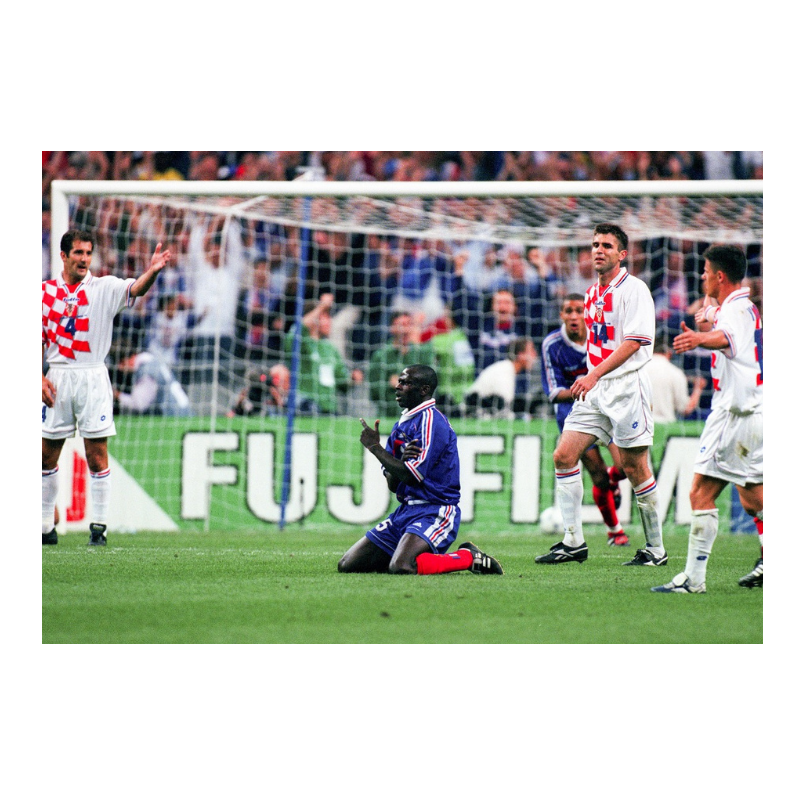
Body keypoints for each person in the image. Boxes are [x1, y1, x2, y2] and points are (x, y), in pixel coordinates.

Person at [535, 223, 667, 567]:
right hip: (597, 390)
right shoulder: (592, 293)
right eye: (595, 244)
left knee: (635, 467)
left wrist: (592, 374)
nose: (598, 250)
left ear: (622, 254)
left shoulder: (634, 290)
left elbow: (634, 342)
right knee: (564, 455)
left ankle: (655, 549)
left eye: (607, 245)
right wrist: (593, 376)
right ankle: (573, 542)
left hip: (626, 388)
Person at [42, 229, 171, 546]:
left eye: (88, 253)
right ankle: (45, 528)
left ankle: (98, 528)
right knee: (46, 456)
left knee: (97, 455)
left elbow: (136, 288)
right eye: (78, 253)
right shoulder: (46, 293)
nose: (84, 259)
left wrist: (152, 271)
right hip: (57, 377)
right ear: (63, 256)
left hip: (93, 377)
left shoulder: (103, 287)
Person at [652, 245, 763, 594]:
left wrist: (699, 337)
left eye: (705, 272)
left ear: (720, 276)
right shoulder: (743, 306)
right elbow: (718, 321)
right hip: (753, 411)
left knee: (700, 492)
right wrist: (710, 313)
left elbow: (725, 337)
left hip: (734, 414)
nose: (701, 277)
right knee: (753, 497)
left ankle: (693, 579)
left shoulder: (735, 311)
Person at [338, 365, 503, 576]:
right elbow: (393, 484)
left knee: (402, 567)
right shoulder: (400, 426)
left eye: (405, 383)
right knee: (348, 564)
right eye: (399, 381)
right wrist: (398, 462)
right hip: (405, 511)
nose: (398, 387)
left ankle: (467, 557)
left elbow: (412, 477)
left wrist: (375, 448)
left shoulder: (431, 422)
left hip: (435, 510)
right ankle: (406, 556)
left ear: (424, 390)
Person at [541, 293, 629, 546]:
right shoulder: (552, 345)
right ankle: (615, 531)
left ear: (588, 314)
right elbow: (553, 393)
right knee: (597, 474)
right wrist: (583, 387)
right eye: (568, 311)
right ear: (562, 315)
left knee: (624, 468)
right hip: (573, 415)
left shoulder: (600, 337)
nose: (574, 316)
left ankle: (614, 479)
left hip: (605, 408)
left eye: (579, 310)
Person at [283, 293, 364, 415]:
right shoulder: (300, 342)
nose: (329, 321)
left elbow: (342, 382)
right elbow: (298, 329)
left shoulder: (330, 348)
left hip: (330, 409)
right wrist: (322, 306)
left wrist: (352, 379)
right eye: (325, 317)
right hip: (305, 408)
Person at [368, 311, 435, 419]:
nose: (405, 329)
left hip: (418, 417)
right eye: (401, 325)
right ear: (392, 328)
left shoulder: (421, 354)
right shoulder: (380, 356)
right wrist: (389, 385)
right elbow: (374, 393)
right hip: (389, 417)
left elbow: (432, 386)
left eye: (408, 324)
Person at [465, 337, 539, 419]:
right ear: (520, 355)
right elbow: (504, 411)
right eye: (531, 351)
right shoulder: (503, 372)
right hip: (473, 414)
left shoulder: (507, 368)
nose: (535, 355)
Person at [645, 337, 706, 423]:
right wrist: (698, 388)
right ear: (669, 353)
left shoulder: (640, 369)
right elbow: (686, 409)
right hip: (665, 425)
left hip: (640, 425)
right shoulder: (675, 373)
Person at [112, 351, 192, 417]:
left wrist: (117, 395)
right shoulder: (153, 361)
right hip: (183, 410)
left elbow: (139, 404)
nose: (120, 368)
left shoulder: (146, 372)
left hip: (173, 415)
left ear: (132, 356)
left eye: (122, 363)